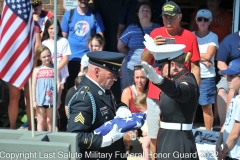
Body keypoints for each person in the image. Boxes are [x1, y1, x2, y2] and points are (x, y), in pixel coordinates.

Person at [141, 1, 200, 156]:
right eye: (165, 17)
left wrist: (194, 98)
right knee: (154, 137)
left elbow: (195, 67)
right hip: (156, 93)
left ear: (180, 17)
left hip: (180, 92)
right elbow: (144, 60)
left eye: (171, 17)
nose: (168, 20)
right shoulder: (155, 33)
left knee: (177, 134)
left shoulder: (189, 37)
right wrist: (152, 47)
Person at [67, 51, 132, 160]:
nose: (115, 79)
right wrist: (104, 140)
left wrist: (121, 107)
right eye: (112, 75)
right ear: (97, 71)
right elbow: (75, 135)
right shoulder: (85, 98)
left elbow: (111, 103)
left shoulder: (102, 88)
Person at [141, 43, 199, 160]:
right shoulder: (175, 80)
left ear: (172, 64)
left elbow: (180, 91)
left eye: (161, 66)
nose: (160, 70)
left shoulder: (188, 81)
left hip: (178, 143)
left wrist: (159, 81)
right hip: (167, 138)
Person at [61, 0, 105, 89]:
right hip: (71, 59)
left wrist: (99, 57)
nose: (83, 1)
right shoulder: (69, 15)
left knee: (89, 88)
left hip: (89, 60)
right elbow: (63, 39)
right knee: (71, 89)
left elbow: (101, 38)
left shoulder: (95, 16)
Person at [118, 1, 160, 87]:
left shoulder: (158, 28)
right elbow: (120, 47)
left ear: (151, 13)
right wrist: (133, 55)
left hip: (152, 68)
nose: (145, 12)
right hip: (133, 68)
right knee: (133, 94)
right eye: (142, 10)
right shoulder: (131, 29)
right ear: (137, 13)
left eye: (148, 10)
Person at [193, 9, 219, 130]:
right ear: (196, 21)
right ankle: (187, 133)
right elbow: (183, 55)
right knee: (189, 106)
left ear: (210, 22)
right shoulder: (191, 35)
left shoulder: (213, 36)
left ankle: (208, 133)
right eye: (200, 19)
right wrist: (203, 59)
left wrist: (194, 55)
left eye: (205, 19)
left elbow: (209, 55)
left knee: (206, 107)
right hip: (191, 75)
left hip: (206, 76)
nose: (202, 22)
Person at [42, 17, 71, 108]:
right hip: (48, 74)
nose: (53, 30)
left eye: (56, 28)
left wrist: (56, 70)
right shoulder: (44, 43)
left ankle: (56, 121)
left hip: (60, 74)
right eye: (51, 28)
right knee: (48, 99)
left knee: (57, 101)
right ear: (47, 29)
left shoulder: (64, 41)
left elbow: (65, 59)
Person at [215, 31, 240, 131]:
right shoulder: (228, 40)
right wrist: (230, 76)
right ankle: (225, 125)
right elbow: (220, 63)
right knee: (222, 90)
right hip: (232, 73)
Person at [216, 59, 240, 160]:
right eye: (227, 76)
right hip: (228, 152)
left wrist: (223, 152)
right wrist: (218, 142)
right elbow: (227, 121)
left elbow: (235, 133)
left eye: (232, 76)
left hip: (235, 155)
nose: (227, 79)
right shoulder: (235, 95)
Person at [121, 65, 148, 154]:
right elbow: (123, 114)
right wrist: (130, 127)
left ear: (147, 77)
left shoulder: (150, 91)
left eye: (142, 77)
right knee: (128, 134)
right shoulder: (127, 92)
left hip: (147, 124)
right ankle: (127, 149)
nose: (139, 81)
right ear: (133, 77)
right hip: (133, 124)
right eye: (137, 77)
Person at [32, 45, 56, 131]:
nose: (47, 58)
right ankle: (39, 139)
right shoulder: (37, 70)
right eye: (44, 56)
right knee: (41, 120)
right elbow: (33, 85)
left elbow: (58, 84)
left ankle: (51, 137)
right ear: (39, 58)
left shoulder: (54, 69)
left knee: (50, 120)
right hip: (40, 99)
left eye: (48, 56)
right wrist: (34, 100)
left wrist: (59, 99)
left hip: (51, 99)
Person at [134, 93, 151, 160]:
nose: (139, 110)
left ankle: (146, 158)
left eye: (140, 108)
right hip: (146, 133)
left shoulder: (149, 113)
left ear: (146, 104)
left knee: (145, 145)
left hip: (148, 133)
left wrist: (148, 132)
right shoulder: (145, 113)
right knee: (145, 145)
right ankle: (146, 156)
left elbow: (153, 124)